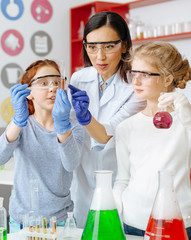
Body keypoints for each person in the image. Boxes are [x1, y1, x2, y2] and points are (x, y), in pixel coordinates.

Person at [113, 41, 191, 240]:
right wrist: (114, 213)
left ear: (167, 79)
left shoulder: (187, 123)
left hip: (175, 223)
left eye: (144, 75)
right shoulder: (126, 128)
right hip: (132, 225)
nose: (135, 82)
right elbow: (123, 180)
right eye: (133, 73)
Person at [68, 11, 146, 227]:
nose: (99, 56)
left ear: (123, 45)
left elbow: (106, 134)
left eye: (108, 46)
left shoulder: (136, 86)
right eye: (92, 47)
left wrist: (85, 117)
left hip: (120, 180)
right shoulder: (78, 78)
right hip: (82, 179)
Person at [0, 59, 84, 233]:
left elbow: (71, 164)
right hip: (22, 221)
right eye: (44, 83)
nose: (53, 88)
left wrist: (63, 126)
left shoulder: (73, 126)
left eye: (57, 82)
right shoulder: (22, 125)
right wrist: (18, 120)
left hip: (61, 221)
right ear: (29, 92)